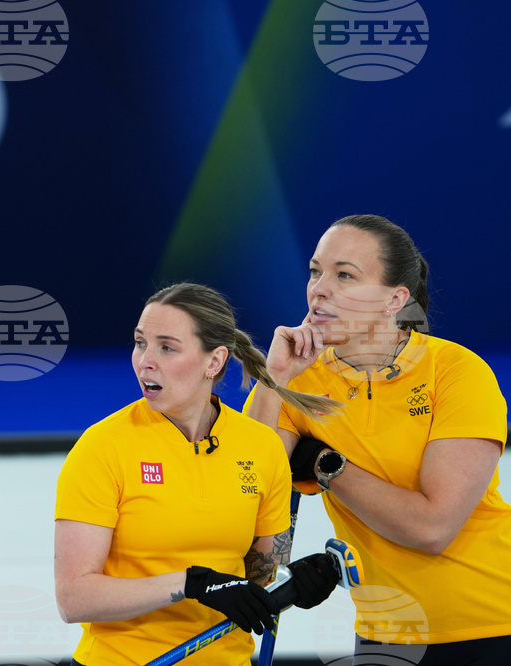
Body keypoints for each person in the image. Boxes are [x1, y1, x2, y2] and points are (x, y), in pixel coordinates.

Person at [245, 214, 511, 665]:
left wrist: (327, 467)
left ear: (395, 298)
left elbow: (432, 528)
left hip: (491, 626)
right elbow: (240, 494)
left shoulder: (456, 372)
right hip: (383, 633)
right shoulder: (297, 380)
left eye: (344, 275)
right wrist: (274, 379)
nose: (319, 288)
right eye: (315, 271)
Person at [54, 283, 340, 666]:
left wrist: (298, 584)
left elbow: (261, 576)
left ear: (214, 361)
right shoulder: (103, 447)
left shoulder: (260, 446)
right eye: (140, 343)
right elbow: (74, 598)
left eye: (167, 347)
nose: (145, 361)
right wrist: (190, 584)